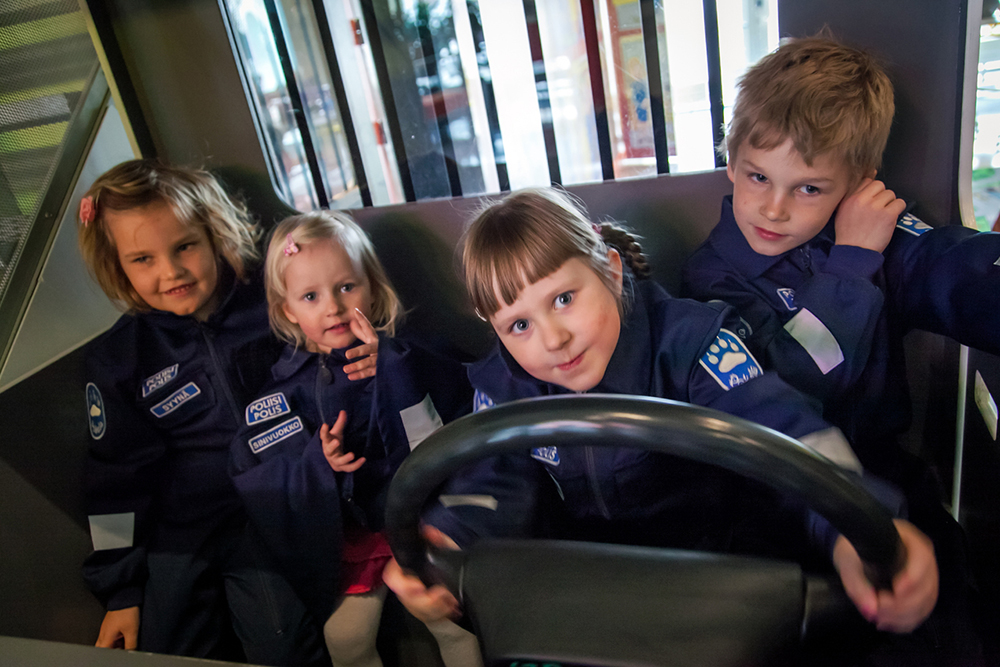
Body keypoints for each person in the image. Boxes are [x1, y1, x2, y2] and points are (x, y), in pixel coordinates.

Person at [384, 187, 939, 647]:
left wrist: (853, 530)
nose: (553, 340)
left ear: (611, 272)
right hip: (591, 593)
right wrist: (448, 540)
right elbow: (491, 484)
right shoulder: (503, 386)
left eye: (562, 299)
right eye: (518, 326)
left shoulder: (694, 344)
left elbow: (788, 434)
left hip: (716, 576)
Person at [679, 36, 995, 658]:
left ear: (858, 184)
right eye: (759, 176)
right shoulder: (709, 278)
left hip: (885, 471)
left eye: (809, 189)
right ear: (731, 162)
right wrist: (849, 268)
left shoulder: (871, 234)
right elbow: (793, 388)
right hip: (775, 489)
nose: (773, 208)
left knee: (957, 614)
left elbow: (949, 268)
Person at [78, 159, 326, 664]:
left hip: (270, 514)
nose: (170, 272)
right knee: (164, 649)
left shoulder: (277, 306)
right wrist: (121, 590)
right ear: (117, 265)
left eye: (184, 246)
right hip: (182, 532)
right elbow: (114, 482)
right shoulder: (119, 360)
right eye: (142, 259)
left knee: (284, 649)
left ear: (215, 235)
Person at [230, 211, 483, 667]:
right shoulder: (285, 388)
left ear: (372, 285)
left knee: (450, 622)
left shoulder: (408, 353)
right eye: (310, 296)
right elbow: (260, 465)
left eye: (347, 287)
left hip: (416, 519)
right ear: (288, 310)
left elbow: (449, 419)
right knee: (344, 636)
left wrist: (395, 368)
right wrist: (319, 460)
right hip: (354, 536)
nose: (334, 307)